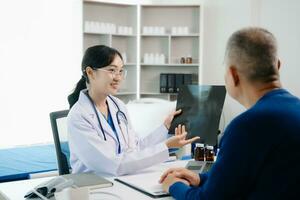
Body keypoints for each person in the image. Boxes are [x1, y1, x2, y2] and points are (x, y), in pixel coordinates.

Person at [159, 27, 300, 199]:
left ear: (233, 75)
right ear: (277, 66)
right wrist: (201, 178)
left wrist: (174, 186)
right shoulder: (294, 110)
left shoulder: (247, 126)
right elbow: (260, 176)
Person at [67, 45, 199, 176]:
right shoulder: (79, 115)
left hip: (122, 179)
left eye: (120, 71)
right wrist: (165, 147)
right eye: (112, 70)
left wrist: (165, 127)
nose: (118, 77)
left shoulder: (118, 106)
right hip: (93, 186)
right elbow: (113, 164)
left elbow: (135, 148)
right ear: (90, 73)